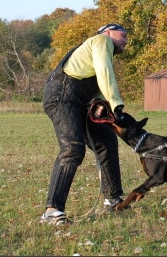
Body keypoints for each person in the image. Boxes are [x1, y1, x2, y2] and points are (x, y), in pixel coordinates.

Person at [40, 23, 129, 225]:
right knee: (72, 149)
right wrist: (117, 106)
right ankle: (52, 211)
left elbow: (99, 86)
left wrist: (107, 110)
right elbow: (105, 73)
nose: (126, 40)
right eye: (123, 34)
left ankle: (113, 200)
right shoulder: (101, 41)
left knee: (106, 141)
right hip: (63, 96)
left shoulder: (100, 50)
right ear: (107, 32)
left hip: (80, 101)